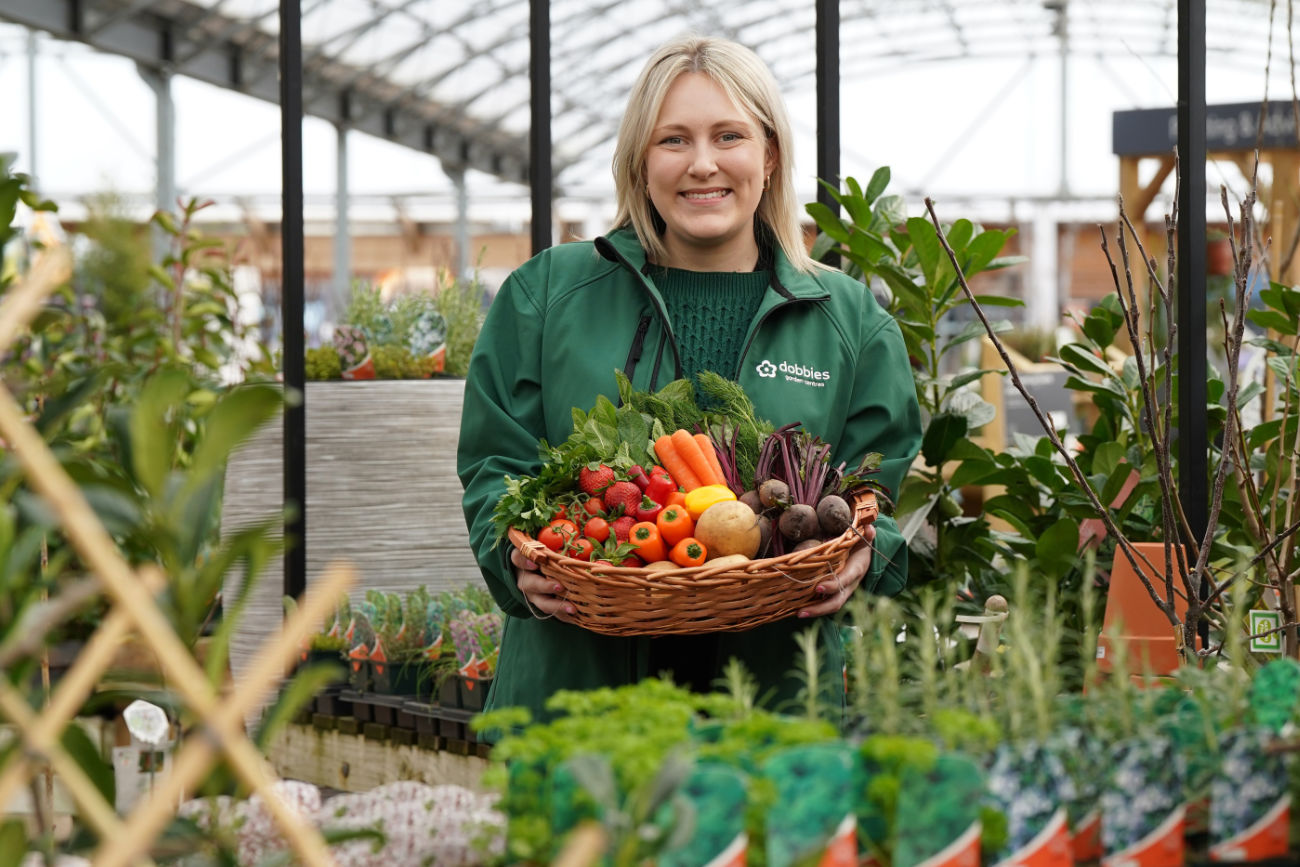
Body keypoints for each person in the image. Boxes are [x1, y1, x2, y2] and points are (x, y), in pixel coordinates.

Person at [457, 34, 922, 722]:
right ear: (640, 163)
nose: (702, 164)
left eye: (728, 135)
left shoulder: (848, 320)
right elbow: (494, 461)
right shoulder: (547, 296)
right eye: (673, 140)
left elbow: (877, 488)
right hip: (575, 700)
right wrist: (513, 556)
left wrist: (867, 554)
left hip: (775, 704)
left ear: (768, 154)